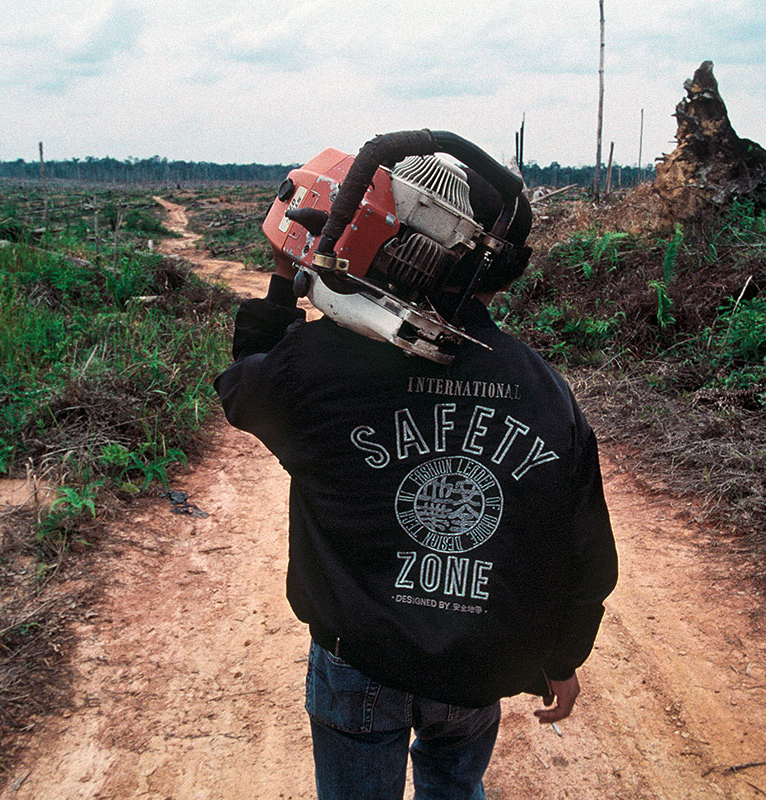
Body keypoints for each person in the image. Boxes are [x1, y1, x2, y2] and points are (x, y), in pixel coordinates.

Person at [214, 166, 618, 800]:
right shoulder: (543, 388)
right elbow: (584, 549)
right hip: (474, 665)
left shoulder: (319, 362)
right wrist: (562, 657)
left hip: (359, 659)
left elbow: (243, 389)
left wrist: (280, 282)